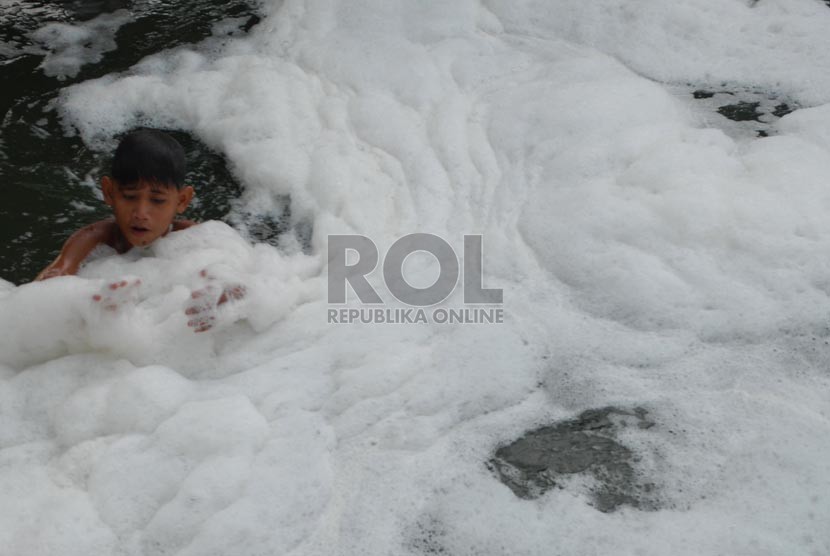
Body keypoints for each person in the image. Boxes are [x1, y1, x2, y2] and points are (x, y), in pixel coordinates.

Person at [35, 129, 196, 281]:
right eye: (129, 197)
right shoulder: (95, 239)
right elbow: (57, 276)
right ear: (109, 192)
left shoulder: (197, 238)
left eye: (157, 200)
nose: (140, 213)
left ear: (182, 201)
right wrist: (55, 277)